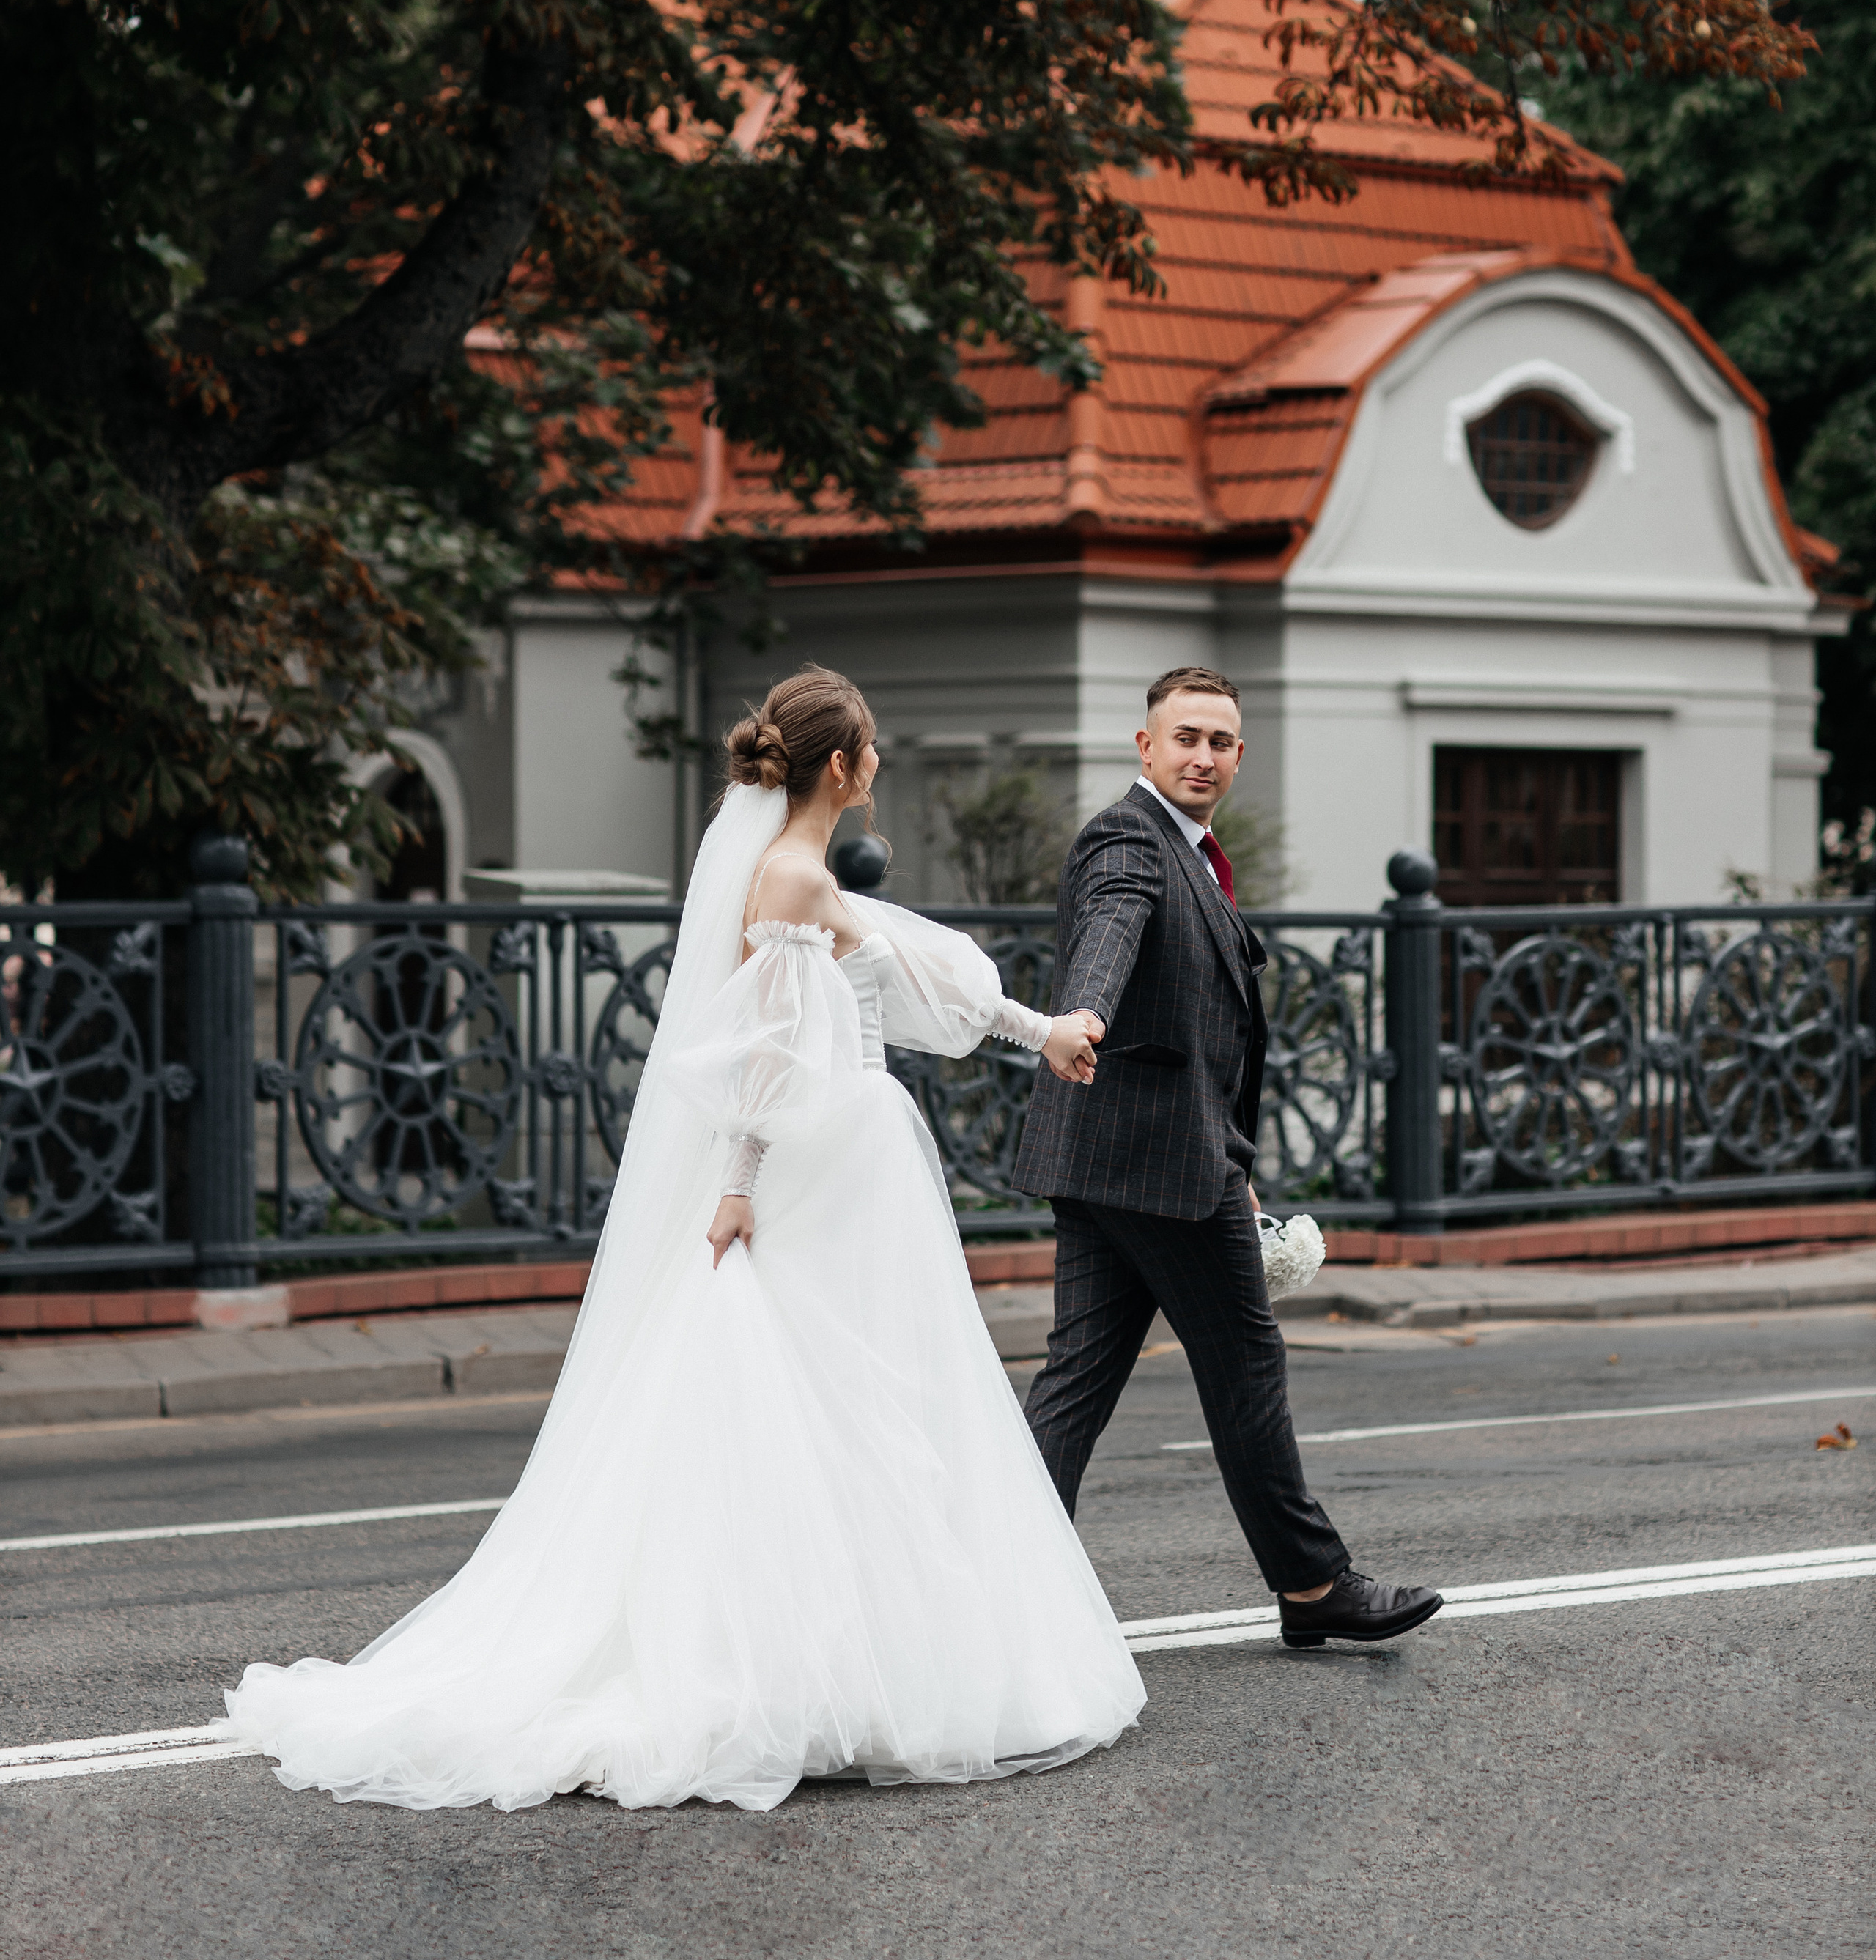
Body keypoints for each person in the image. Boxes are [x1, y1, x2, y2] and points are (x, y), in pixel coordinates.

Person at [226, 667, 1145, 1811]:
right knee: (822, 1400)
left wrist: (1041, 1030)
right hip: (826, 1159)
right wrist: (741, 1181)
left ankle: (852, 1664)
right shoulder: (795, 878)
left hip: (856, 1152)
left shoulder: (803, 874)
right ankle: (804, 1673)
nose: (882, 763)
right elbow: (767, 1044)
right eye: (874, 747)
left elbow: (904, 988)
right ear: (845, 765)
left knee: (866, 1400)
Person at [1013, 664, 1443, 1651]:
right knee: (1246, 1362)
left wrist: (1236, 1161)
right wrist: (1083, 1014)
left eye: (1220, 742)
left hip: (1113, 1159)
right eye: (1186, 738)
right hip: (1157, 1168)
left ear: (1239, 755)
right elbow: (1112, 930)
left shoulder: (1196, 852)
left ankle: (1001, 1584)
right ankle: (1313, 1586)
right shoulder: (1130, 836)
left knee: (1076, 1381)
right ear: (1146, 747)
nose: (1202, 755)